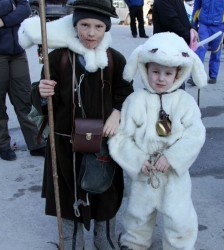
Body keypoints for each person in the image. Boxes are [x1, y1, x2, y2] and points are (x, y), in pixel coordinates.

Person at [19, 0, 134, 249]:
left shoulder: (115, 60)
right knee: (68, 189)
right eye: (84, 25)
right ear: (75, 25)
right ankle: (72, 241)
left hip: (104, 140)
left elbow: (126, 93)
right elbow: (40, 99)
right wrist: (41, 91)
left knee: (105, 190)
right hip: (65, 142)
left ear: (106, 29)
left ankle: (105, 238)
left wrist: (117, 113)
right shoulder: (57, 58)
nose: (90, 33)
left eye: (97, 27)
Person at [109, 32, 207, 250]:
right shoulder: (135, 101)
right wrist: (137, 160)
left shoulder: (185, 102)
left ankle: (179, 245)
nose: (161, 78)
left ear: (178, 74)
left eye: (168, 73)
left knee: (179, 216)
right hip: (145, 171)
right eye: (155, 71)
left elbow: (195, 134)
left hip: (173, 174)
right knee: (138, 214)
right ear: (145, 70)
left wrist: (172, 157)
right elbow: (122, 136)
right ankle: (134, 242)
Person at [0, 0, 46, 161]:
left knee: (25, 99)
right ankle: (2, 145)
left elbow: (25, 9)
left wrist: (4, 21)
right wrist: (10, 4)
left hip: (17, 52)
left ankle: (36, 143)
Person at [191, 0, 224, 84]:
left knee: (216, 51)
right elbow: (197, 6)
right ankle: (196, 76)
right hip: (203, 24)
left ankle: (213, 75)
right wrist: (193, 24)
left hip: (219, 26)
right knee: (199, 50)